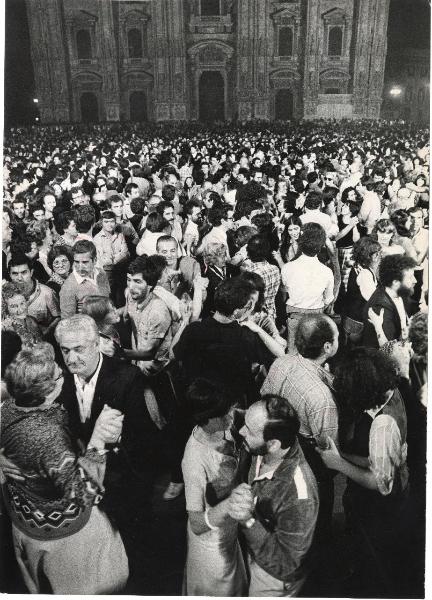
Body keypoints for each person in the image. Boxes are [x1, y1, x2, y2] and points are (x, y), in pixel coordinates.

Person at [1, 343, 129, 594]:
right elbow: (83, 494)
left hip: (23, 511)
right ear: (47, 391)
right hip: (58, 530)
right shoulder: (47, 437)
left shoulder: (7, 408)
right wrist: (97, 442)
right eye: (60, 375)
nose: (66, 375)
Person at [317, 347, 409, 596]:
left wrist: (337, 463)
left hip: (380, 510)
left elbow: (381, 483)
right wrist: (343, 454)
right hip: (382, 492)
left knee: (374, 562)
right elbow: (376, 458)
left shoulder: (382, 424)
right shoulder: (389, 389)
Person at [261, 314, 339, 546]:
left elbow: (264, 397)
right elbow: (329, 452)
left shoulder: (281, 362)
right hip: (310, 463)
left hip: (276, 453)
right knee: (317, 520)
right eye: (336, 337)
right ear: (327, 346)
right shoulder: (321, 396)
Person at [232, 395, 319, 596]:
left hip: (274, 579)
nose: (242, 431)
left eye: (250, 431)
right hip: (255, 554)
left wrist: (247, 521)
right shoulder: (261, 448)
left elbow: (287, 564)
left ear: (273, 444)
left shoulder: (299, 496)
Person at [181, 379, 247, 596]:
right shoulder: (193, 460)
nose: (232, 416)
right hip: (212, 546)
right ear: (204, 418)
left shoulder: (224, 421)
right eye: (224, 414)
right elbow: (197, 524)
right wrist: (231, 503)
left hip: (230, 532)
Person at [173, 277, 276, 408]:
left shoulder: (193, 329)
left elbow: (174, 354)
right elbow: (277, 355)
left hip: (197, 401)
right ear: (237, 311)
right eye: (248, 306)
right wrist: (259, 330)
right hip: (230, 404)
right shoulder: (246, 336)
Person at [281, 223, 334, 353]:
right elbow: (328, 299)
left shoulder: (287, 267)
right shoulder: (326, 271)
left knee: (293, 352)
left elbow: (285, 290)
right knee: (314, 353)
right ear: (321, 246)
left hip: (294, 315)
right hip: (316, 315)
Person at [363, 255, 417, 348]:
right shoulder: (380, 307)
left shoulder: (399, 294)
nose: (415, 281)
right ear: (395, 282)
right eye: (410, 277)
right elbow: (389, 352)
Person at [8, 253, 60, 338]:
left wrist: (46, 332)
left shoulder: (47, 292)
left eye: (24, 272)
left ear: (31, 272)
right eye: (15, 274)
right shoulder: (4, 294)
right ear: (9, 275)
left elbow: (58, 317)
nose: (20, 278)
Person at [343, 236, 381, 344]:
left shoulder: (358, 266)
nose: (380, 255)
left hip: (351, 317)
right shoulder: (365, 274)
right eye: (377, 253)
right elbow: (373, 300)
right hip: (358, 320)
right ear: (371, 256)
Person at [59, 240, 110, 318]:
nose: (80, 267)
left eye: (85, 262)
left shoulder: (102, 274)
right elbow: (67, 322)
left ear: (95, 260)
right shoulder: (68, 287)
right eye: (76, 262)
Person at [244, 235, 281, 322]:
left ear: (248, 252)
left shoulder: (251, 274)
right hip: (271, 315)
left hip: (254, 317)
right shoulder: (275, 269)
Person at [1, 281, 42, 348]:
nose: (20, 310)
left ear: (26, 301)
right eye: (13, 306)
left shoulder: (32, 320)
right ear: (6, 307)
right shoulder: (5, 329)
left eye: (22, 303)